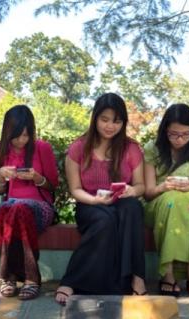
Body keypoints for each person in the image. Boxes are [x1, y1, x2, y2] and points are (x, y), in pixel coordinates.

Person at [55, 92, 146, 305]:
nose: (109, 126)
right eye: (104, 119)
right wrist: (95, 200)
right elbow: (75, 189)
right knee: (104, 220)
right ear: (95, 118)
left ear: (123, 122)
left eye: (116, 121)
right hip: (90, 204)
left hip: (121, 202)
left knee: (132, 208)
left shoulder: (131, 148)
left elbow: (141, 185)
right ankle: (72, 280)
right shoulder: (79, 147)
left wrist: (132, 191)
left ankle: (137, 278)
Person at [0, 104, 59, 300]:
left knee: (16, 207)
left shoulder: (42, 148)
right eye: (17, 135)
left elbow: (53, 185)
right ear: (7, 132)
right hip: (12, 208)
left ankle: (22, 278)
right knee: (7, 208)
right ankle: (14, 278)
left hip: (40, 208)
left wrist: (37, 178)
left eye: (26, 135)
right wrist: (1, 177)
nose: (22, 140)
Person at [144, 103, 189, 298]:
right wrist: (164, 187)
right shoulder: (152, 149)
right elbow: (148, 193)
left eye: (185, 134)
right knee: (173, 200)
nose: (179, 139)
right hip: (159, 202)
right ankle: (168, 273)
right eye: (174, 134)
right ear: (165, 130)